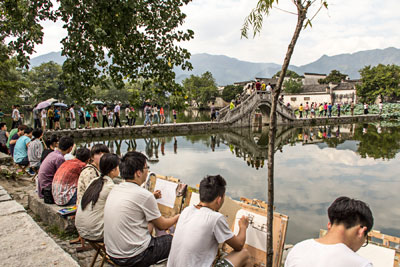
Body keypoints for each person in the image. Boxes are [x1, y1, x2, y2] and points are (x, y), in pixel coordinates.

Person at [104, 151, 179, 266]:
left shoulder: (116, 188)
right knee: (176, 239)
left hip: (111, 252)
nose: (147, 171)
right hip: (134, 257)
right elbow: (163, 225)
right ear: (138, 173)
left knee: (150, 225)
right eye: (146, 168)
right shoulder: (144, 195)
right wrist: (178, 217)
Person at [167, 175, 250, 267]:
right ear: (219, 200)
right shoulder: (216, 218)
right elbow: (239, 245)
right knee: (244, 253)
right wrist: (243, 226)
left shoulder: (187, 210)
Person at [285, 196, 373, 267]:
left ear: (329, 225)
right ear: (361, 231)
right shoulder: (361, 264)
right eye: (365, 241)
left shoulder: (299, 249)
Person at [75, 153, 120, 241]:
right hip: (94, 232)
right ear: (113, 170)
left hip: (81, 229)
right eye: (118, 167)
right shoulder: (110, 187)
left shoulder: (94, 181)